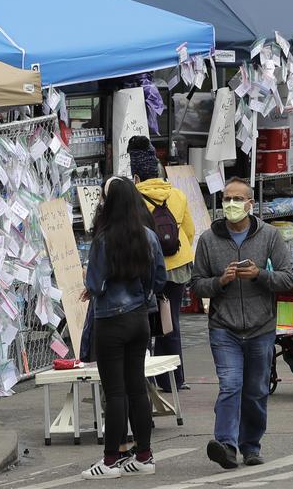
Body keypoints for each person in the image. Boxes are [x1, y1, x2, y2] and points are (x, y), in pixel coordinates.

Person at [191, 177, 293, 470]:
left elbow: (287, 278)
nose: (231, 205)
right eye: (227, 199)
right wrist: (220, 282)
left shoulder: (270, 236)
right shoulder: (208, 240)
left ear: (250, 204)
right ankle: (226, 445)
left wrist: (259, 275)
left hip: (261, 327)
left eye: (238, 200)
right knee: (230, 385)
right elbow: (197, 285)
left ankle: (251, 446)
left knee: (256, 390)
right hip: (224, 327)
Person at [79, 177, 167, 479]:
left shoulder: (103, 239)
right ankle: (144, 455)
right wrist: (142, 295)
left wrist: (93, 286)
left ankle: (110, 460)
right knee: (137, 387)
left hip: (111, 321)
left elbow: (95, 283)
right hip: (139, 318)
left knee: (115, 392)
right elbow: (159, 279)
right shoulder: (148, 236)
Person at [127, 136, 195, 393]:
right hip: (177, 267)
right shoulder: (177, 195)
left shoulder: (133, 198)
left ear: (136, 176)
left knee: (144, 323)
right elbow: (189, 231)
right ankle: (175, 379)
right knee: (171, 321)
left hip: (145, 269)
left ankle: (148, 378)